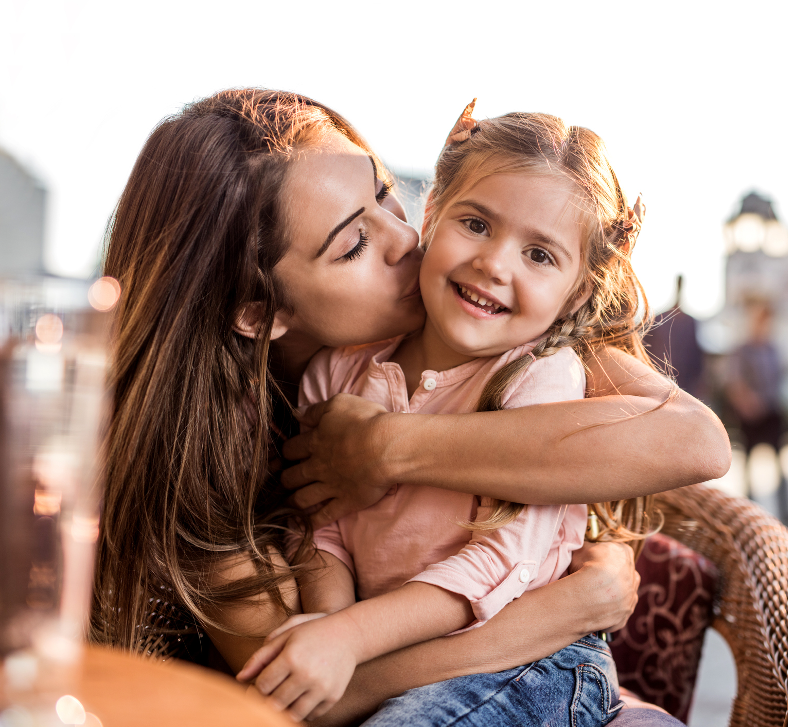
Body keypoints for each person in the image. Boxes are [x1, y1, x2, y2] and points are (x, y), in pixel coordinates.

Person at [93, 89, 731, 726]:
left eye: (386, 194)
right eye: (353, 246)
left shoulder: (507, 330)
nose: (406, 238)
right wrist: (566, 610)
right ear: (262, 312)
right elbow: (320, 696)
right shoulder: (200, 467)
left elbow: (697, 442)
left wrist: (383, 448)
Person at [238, 103, 659, 725]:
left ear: (578, 291)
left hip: (534, 665)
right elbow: (318, 521)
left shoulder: (541, 379)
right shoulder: (340, 369)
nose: (495, 263)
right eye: (477, 224)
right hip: (396, 654)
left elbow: (501, 561)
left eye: (540, 255)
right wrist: (327, 627)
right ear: (432, 211)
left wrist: (351, 637)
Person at [726, 299, 788, 529]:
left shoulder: (774, 349)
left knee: (781, 466)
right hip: (751, 415)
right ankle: (751, 514)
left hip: (773, 411)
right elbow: (734, 383)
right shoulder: (742, 350)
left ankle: (787, 514)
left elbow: (780, 381)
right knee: (748, 467)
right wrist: (748, 403)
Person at [643, 275, 706, 399]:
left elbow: (696, 355)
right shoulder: (658, 320)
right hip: (659, 383)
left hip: (685, 385)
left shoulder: (689, 323)